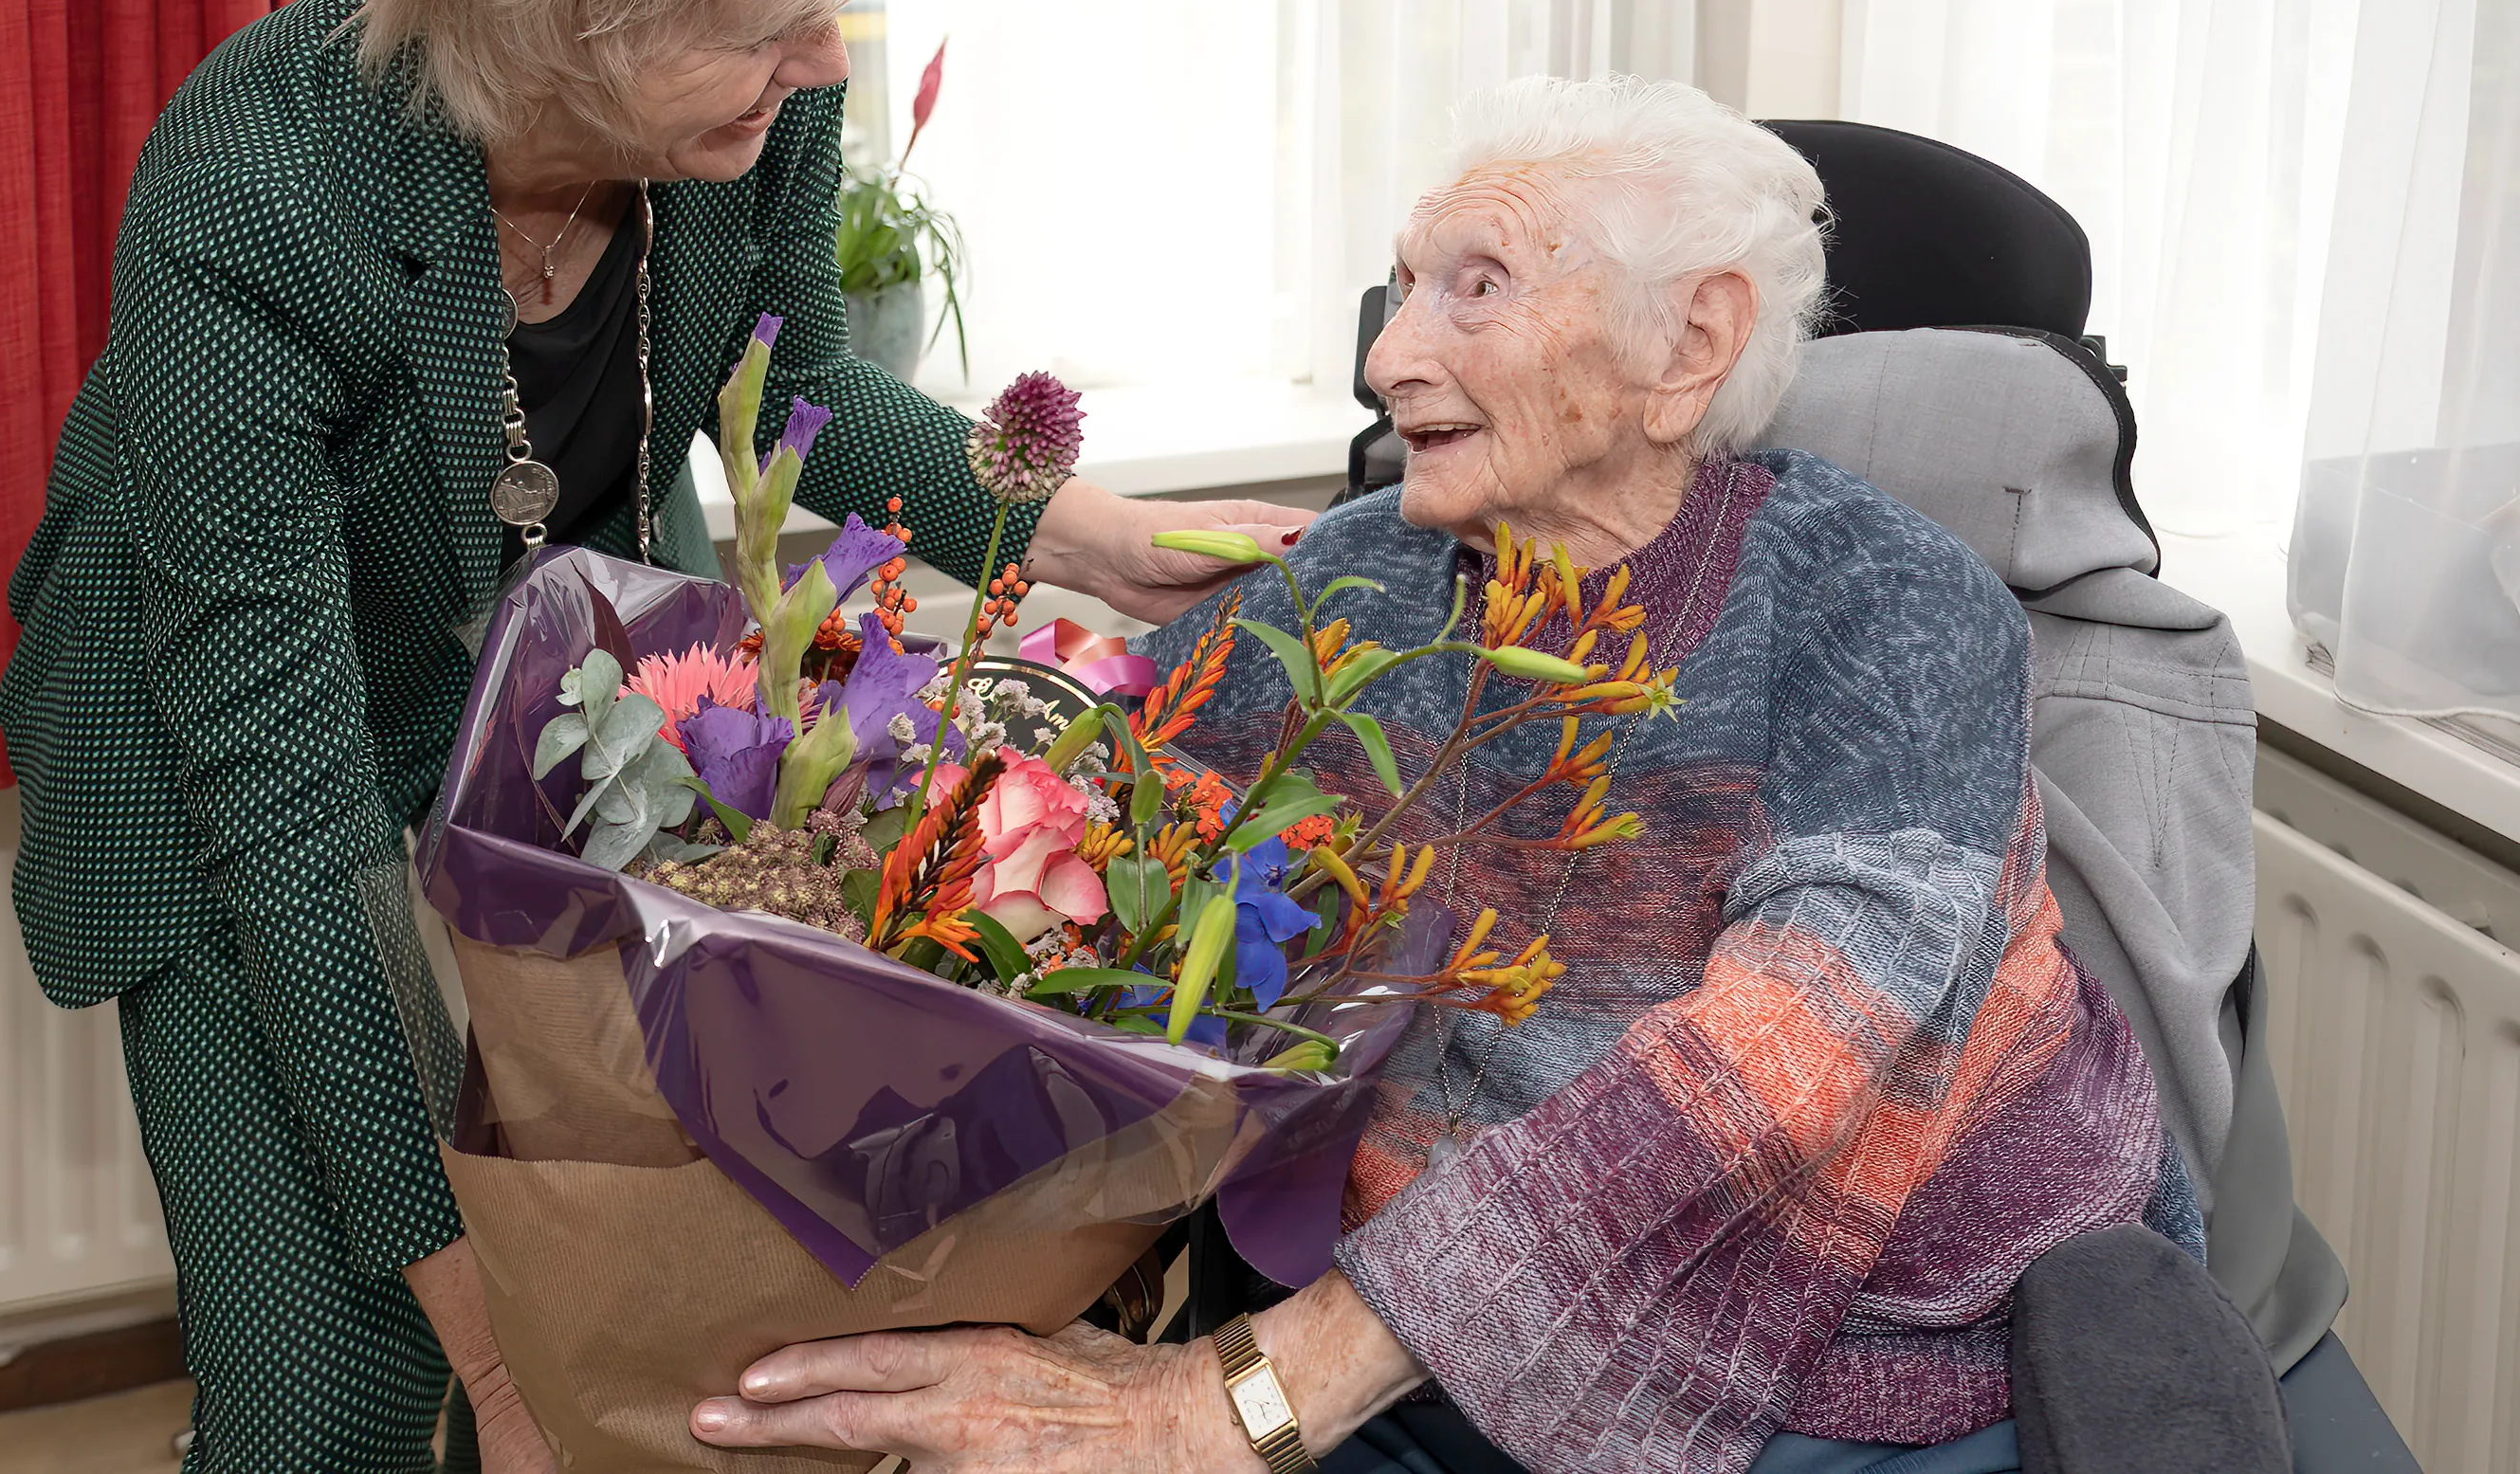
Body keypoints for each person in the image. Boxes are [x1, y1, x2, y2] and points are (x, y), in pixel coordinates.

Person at [0, 0, 1307, 1474]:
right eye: (763, 19)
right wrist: (495, 1348)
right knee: (337, 1397)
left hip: (551, 730)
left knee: (632, 1270)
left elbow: (793, 400)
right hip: (245, 769)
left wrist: (1077, 531)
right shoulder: (255, 190)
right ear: (559, 15)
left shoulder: (757, 95)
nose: (818, 57)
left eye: (820, 7)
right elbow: (285, 810)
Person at [688, 75, 2194, 1474]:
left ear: (1690, 346)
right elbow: (1096, 837)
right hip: (1429, 1339)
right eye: (1405, 286)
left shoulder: (1892, 606)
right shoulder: (1363, 580)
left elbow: (1770, 1069)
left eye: (1476, 287)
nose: (1387, 356)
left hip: (1864, 1368)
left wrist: (1227, 1409)